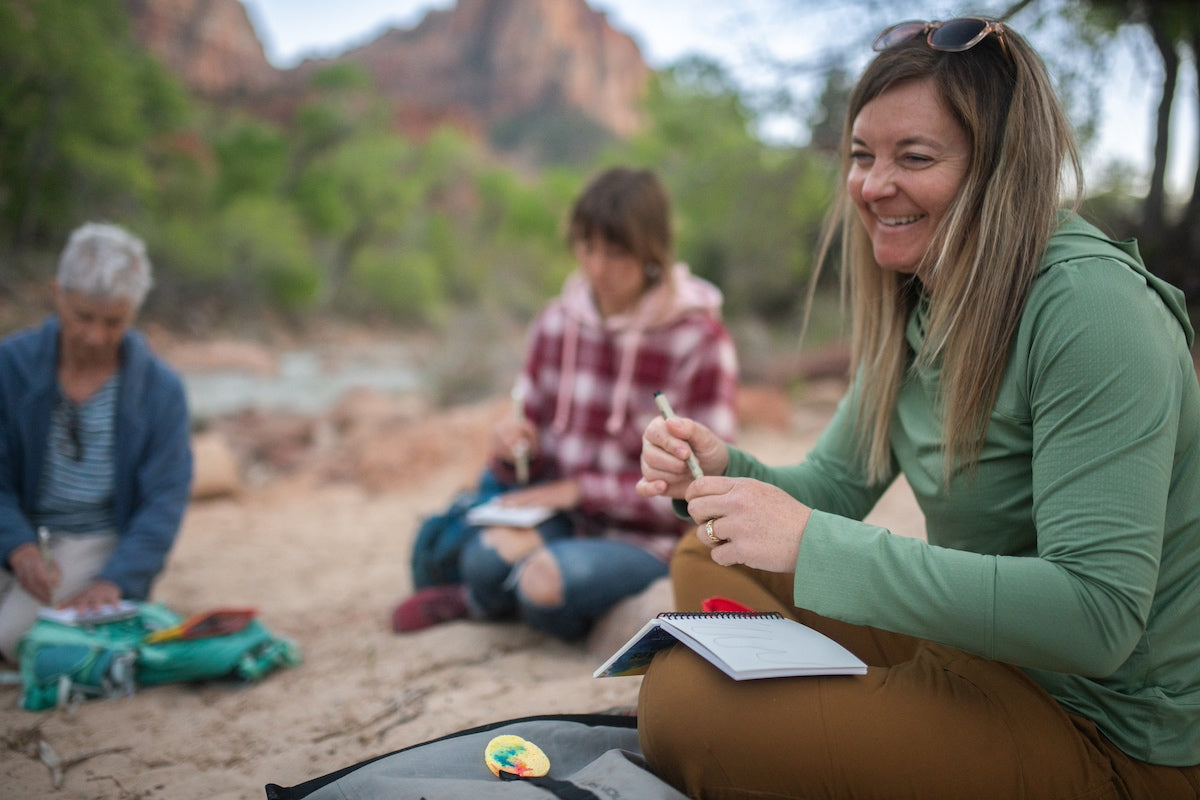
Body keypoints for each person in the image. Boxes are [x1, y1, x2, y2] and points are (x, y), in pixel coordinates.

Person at [636, 18, 1200, 799]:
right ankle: (866, 723)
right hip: (979, 654)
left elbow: (1097, 615)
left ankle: (851, 725)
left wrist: (813, 545)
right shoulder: (921, 301)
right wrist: (724, 473)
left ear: (1001, 169)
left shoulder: (1090, 309)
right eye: (862, 156)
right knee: (708, 551)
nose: (872, 185)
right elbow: (832, 490)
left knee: (677, 706)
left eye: (915, 157)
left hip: (1105, 730)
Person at [393, 166, 738, 641]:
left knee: (547, 581)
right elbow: (527, 468)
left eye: (615, 253)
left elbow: (707, 488)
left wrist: (581, 490)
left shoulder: (699, 340)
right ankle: (498, 591)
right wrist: (517, 449)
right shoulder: (555, 324)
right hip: (557, 519)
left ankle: (502, 599)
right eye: (586, 247)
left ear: (651, 251)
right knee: (482, 559)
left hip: (647, 537)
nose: (596, 268)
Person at [0, 222, 193, 663]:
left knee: (16, 638)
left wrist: (116, 580)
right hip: (21, 529)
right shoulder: (10, 366)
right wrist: (18, 545)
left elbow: (164, 501)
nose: (96, 336)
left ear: (133, 315)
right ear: (57, 295)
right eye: (82, 317)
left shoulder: (159, 389)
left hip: (95, 539)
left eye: (114, 322)